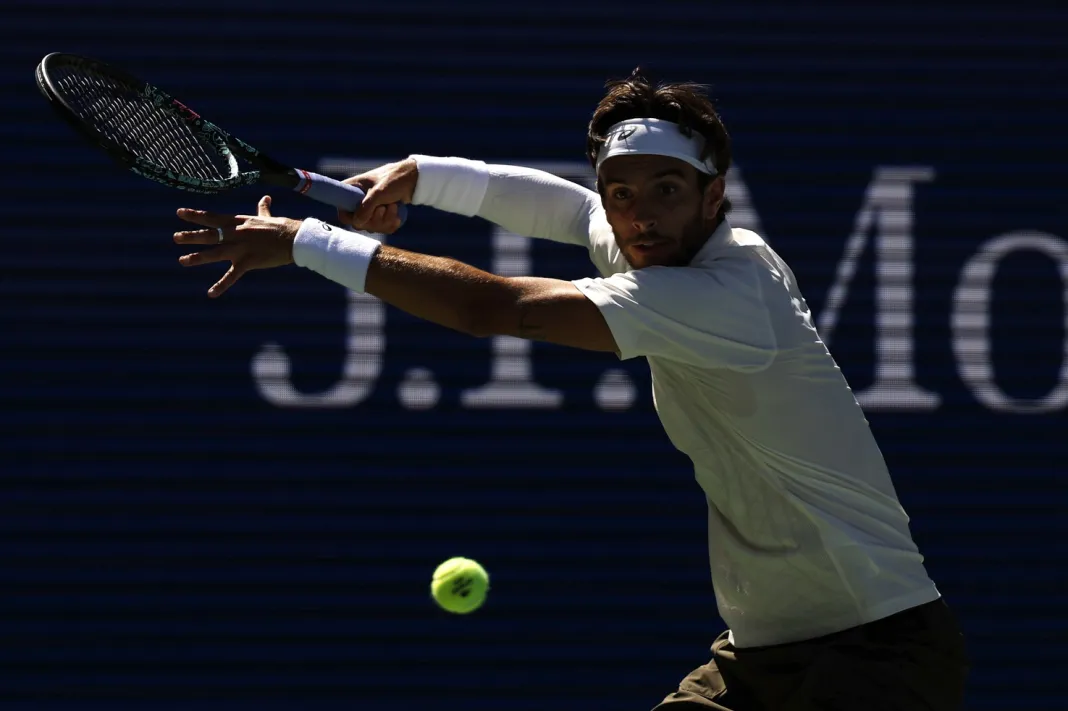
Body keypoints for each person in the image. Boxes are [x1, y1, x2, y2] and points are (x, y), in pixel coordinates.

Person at [172, 69, 969, 710]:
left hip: (875, 658)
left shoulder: (727, 293)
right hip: (758, 657)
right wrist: (421, 176)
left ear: (714, 198)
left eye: (665, 190)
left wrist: (310, 242)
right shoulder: (647, 238)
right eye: (624, 191)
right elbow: (565, 205)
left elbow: (496, 307)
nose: (637, 213)